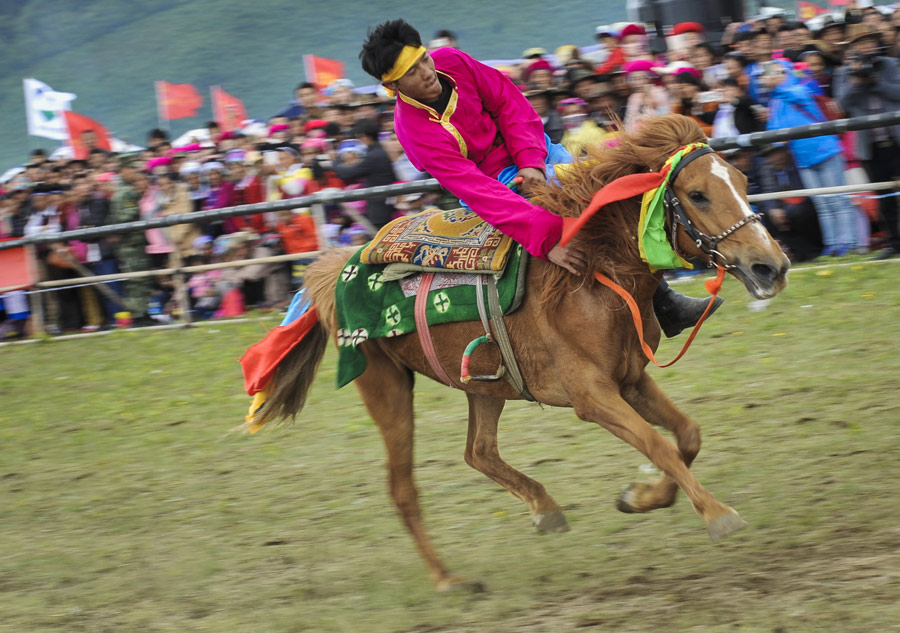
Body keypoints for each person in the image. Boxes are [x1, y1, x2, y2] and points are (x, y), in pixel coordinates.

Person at [358, 19, 720, 337]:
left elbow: (507, 101)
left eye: (424, 59)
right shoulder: (413, 132)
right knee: (568, 227)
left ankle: (665, 301)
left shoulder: (453, 61)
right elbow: (474, 187)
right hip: (493, 184)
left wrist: (530, 161)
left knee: (616, 191)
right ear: (393, 86)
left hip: (536, 150)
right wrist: (547, 239)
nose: (426, 72)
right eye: (412, 72)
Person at [761, 61, 858, 256]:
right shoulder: (775, 101)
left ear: (784, 73)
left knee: (838, 200)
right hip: (803, 158)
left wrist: (777, 86)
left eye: (773, 72)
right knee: (822, 203)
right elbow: (775, 132)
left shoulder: (800, 88)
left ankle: (850, 243)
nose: (767, 77)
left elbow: (794, 95)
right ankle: (832, 246)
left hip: (826, 151)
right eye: (766, 74)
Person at [836, 23, 900, 259]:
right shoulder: (845, 72)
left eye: (870, 41)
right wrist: (857, 82)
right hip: (869, 146)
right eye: (861, 43)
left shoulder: (891, 64)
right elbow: (841, 104)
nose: (866, 46)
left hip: (896, 140)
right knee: (885, 198)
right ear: (852, 48)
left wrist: (876, 82)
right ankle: (894, 242)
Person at [331, 118, 397, 230]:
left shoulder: (374, 156)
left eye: (359, 138)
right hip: (383, 205)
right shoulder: (378, 151)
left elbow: (347, 173)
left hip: (381, 209)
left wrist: (335, 162)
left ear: (365, 137)